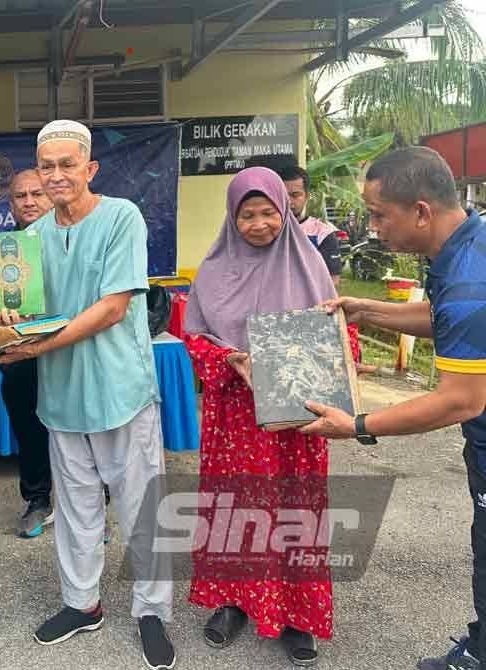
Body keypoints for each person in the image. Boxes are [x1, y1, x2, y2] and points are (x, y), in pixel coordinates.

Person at [0, 120, 175, 670]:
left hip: (121, 389)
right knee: (74, 510)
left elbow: (114, 306)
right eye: (47, 166)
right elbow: (21, 305)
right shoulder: (32, 237)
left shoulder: (122, 217)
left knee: (143, 507)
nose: (56, 175)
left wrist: (30, 350)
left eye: (68, 164)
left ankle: (153, 611)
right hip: (63, 395)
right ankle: (81, 603)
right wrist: (7, 317)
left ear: (90, 168)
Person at [299, 147, 486, 670]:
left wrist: (356, 425)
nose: (373, 226)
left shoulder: (472, 278)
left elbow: (460, 400)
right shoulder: (464, 248)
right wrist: (368, 309)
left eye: (380, 214)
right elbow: (441, 316)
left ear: (421, 212)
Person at [182, 166, 359, 666]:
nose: (258, 224)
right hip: (235, 416)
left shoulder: (309, 267)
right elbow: (193, 339)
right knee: (236, 507)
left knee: (295, 509)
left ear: (285, 210)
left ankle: (299, 617)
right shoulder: (213, 271)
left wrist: (334, 360)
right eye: (246, 215)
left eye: (268, 213)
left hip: (295, 418)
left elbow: (339, 335)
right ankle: (234, 604)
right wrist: (232, 360)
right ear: (231, 217)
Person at [0, 169, 55, 538]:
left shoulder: (73, 239)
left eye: (37, 194)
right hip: (21, 357)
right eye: (21, 196)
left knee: (81, 434)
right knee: (30, 431)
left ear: (52, 196)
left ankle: (92, 507)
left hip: (71, 355)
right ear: (11, 204)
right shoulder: (3, 249)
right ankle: (38, 500)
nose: (29, 202)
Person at [278, 165, 344, 286]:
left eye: (295, 195)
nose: (288, 201)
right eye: (283, 195)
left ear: (307, 196)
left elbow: (333, 280)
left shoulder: (322, 233)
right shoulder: (266, 230)